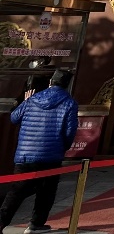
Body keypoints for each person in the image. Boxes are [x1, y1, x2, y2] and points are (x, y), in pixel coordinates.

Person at [0, 69, 79, 234]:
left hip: (25, 153)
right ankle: (36, 224)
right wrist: (61, 148)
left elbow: (14, 118)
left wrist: (24, 102)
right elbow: (69, 132)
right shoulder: (69, 103)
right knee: (47, 191)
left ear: (50, 82)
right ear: (67, 85)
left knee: (16, 191)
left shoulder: (32, 99)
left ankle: (1, 222)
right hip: (51, 154)